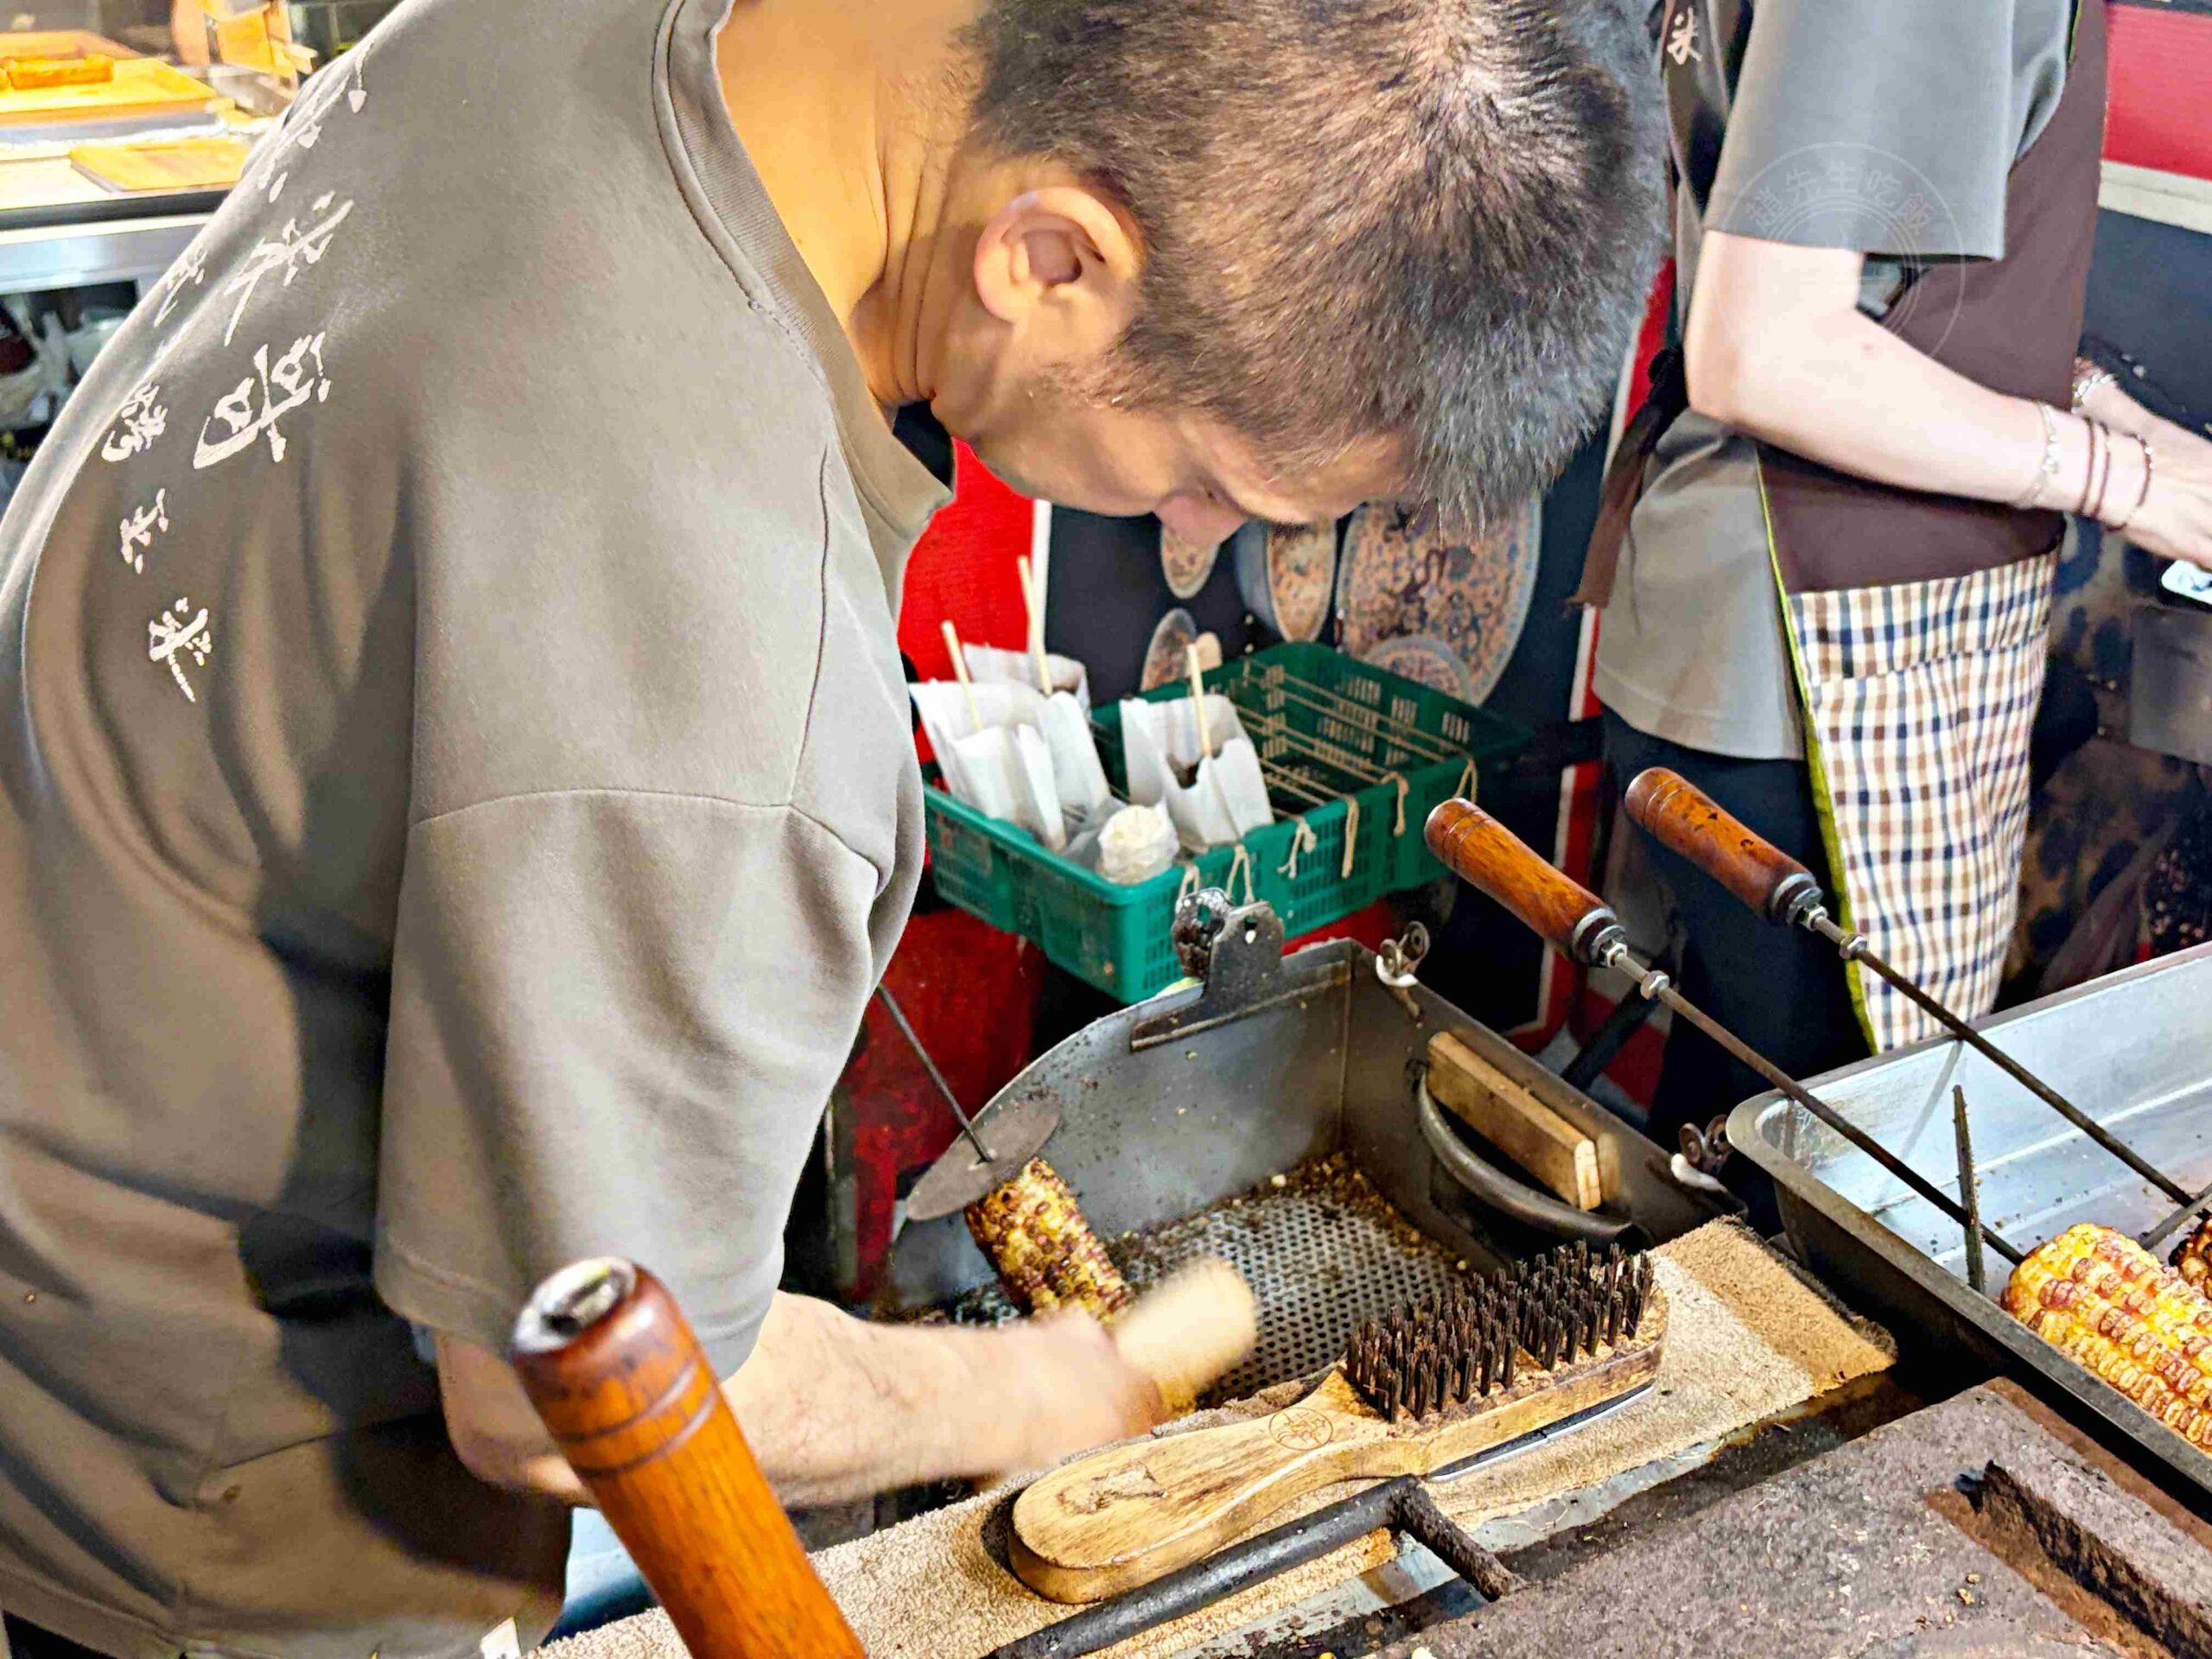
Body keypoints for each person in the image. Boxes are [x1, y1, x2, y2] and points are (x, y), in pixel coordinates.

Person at [0, 0, 1664, 1652]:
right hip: (184, 1475)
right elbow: (561, 1388)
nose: (1192, 525)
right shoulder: (713, 634)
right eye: (1216, 473)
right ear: (1053, 262)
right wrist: (1032, 1390)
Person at [1582, 0, 2212, 1185]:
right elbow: (1767, 349)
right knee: (1824, 1190)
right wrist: (2123, 482)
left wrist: (2096, 407)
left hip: (1752, 632)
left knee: (1729, 1142)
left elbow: (1872, 283)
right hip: (1822, 658)